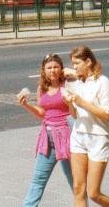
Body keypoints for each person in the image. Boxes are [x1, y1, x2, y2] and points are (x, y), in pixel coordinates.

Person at [18, 53, 74, 207]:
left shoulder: (68, 85)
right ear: (43, 70)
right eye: (49, 68)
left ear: (61, 68)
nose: (53, 70)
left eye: (56, 67)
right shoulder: (41, 88)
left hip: (67, 137)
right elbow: (43, 113)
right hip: (48, 140)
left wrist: (73, 74)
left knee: (75, 181)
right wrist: (26, 104)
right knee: (38, 180)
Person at [63, 45, 109, 207]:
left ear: (88, 61)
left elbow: (107, 115)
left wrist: (81, 102)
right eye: (72, 64)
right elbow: (74, 115)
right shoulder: (74, 83)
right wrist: (70, 104)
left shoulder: (102, 82)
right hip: (79, 136)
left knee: (93, 193)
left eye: (77, 63)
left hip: (98, 138)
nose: (74, 67)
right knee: (79, 188)